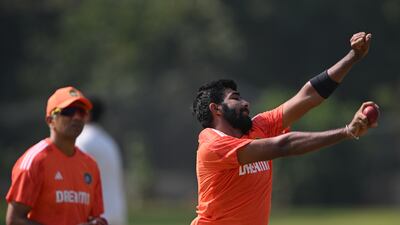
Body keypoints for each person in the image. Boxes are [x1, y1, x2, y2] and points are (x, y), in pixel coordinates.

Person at [190, 32, 375, 225]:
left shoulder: (257, 127)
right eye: (235, 98)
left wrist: (353, 57)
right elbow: (284, 145)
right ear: (216, 109)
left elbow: (308, 96)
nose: (245, 103)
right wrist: (347, 131)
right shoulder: (212, 146)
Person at [5, 86, 108, 225]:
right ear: (50, 120)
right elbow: (14, 220)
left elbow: (93, 217)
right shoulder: (35, 161)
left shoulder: (90, 165)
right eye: (68, 111)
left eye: (82, 112)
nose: (77, 117)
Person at [76, 97, 127, 225]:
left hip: (96, 218)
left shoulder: (82, 141)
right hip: (116, 214)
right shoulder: (109, 142)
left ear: (87, 114)